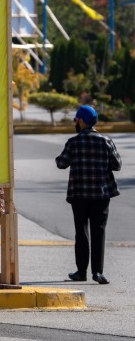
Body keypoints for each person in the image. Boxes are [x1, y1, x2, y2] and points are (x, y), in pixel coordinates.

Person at [55, 104, 121, 284]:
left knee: (81, 232)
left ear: (82, 121)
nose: (75, 123)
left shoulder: (73, 142)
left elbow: (61, 164)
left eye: (76, 120)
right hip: (101, 194)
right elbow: (117, 165)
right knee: (98, 232)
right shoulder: (106, 141)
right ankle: (97, 272)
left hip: (79, 195)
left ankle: (81, 272)